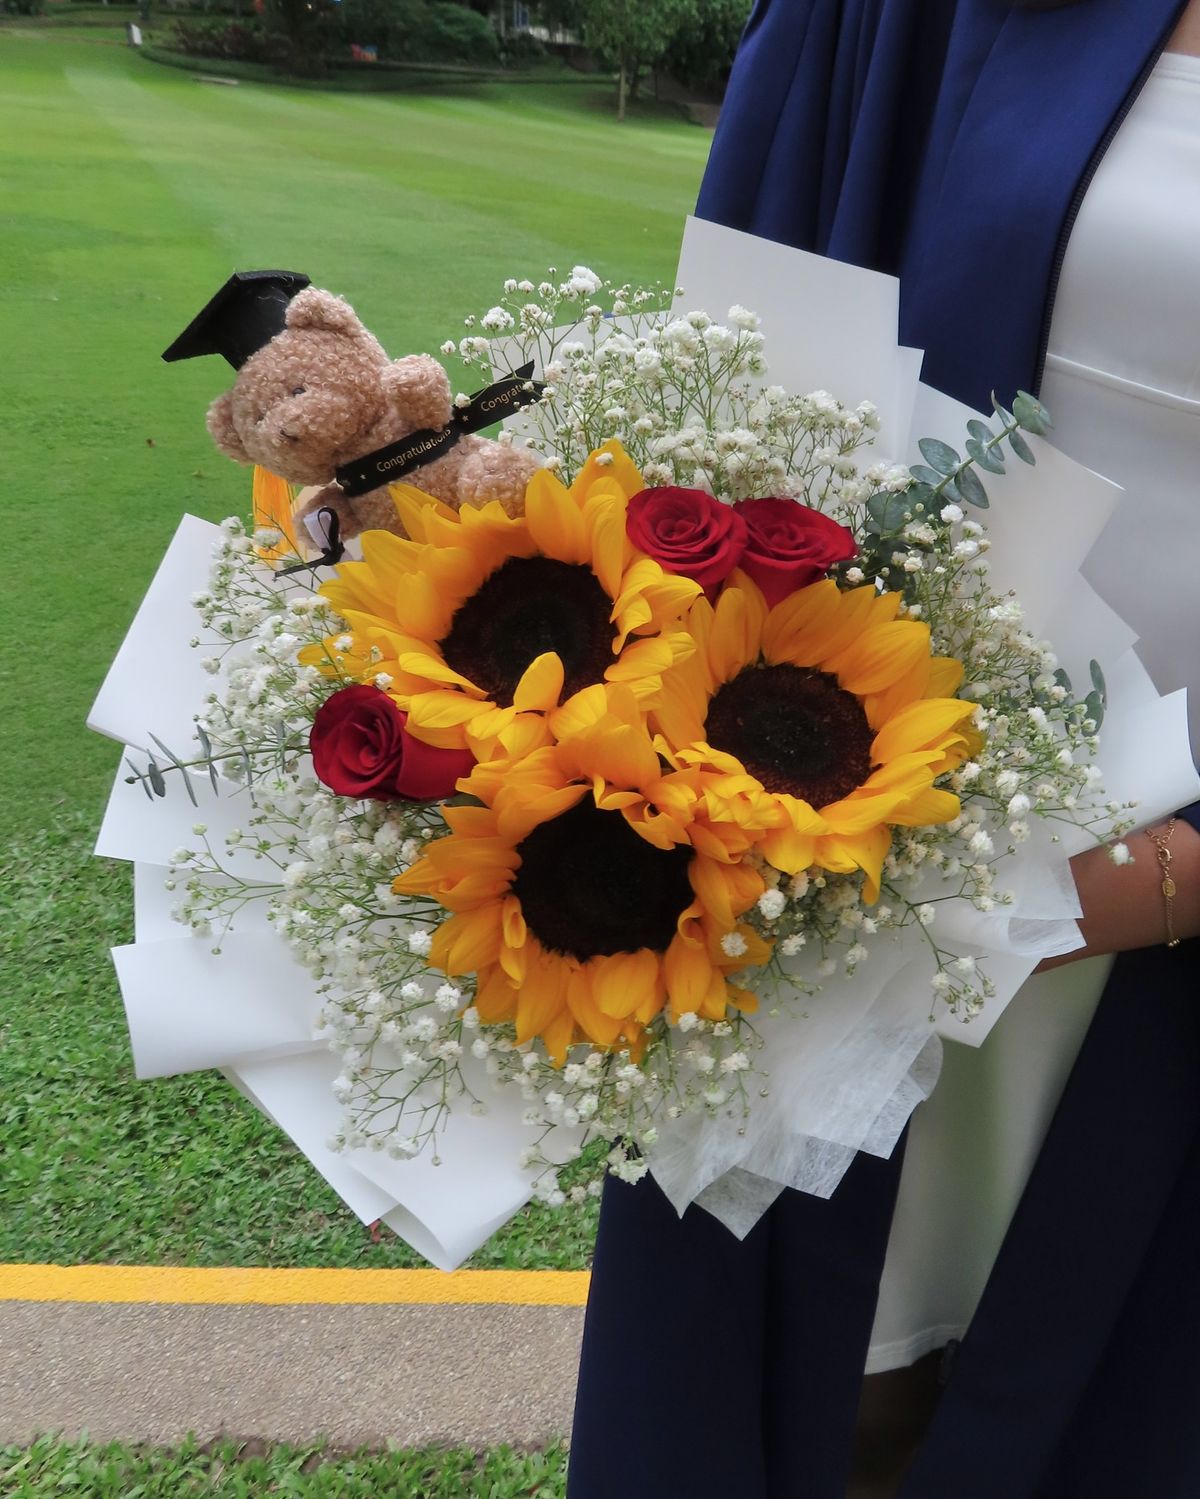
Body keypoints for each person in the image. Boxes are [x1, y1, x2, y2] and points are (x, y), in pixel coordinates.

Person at [567, 2, 1200, 1495]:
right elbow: (734, 401)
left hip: (1137, 941)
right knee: (816, 1409)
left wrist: (1149, 882)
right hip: (835, 900)